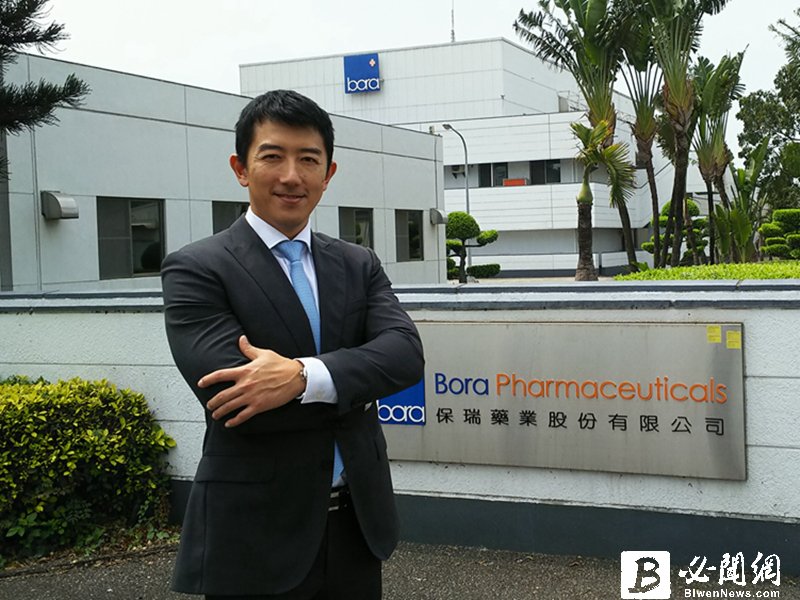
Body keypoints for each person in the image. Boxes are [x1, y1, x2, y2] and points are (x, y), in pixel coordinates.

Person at [161, 89, 425, 599]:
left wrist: (302, 377)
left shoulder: (357, 263)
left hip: (356, 525)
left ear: (328, 173)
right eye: (272, 156)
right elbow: (235, 399)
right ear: (241, 168)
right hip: (256, 533)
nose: (291, 176)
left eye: (308, 159)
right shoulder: (198, 268)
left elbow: (404, 355)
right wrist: (353, 382)